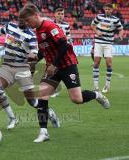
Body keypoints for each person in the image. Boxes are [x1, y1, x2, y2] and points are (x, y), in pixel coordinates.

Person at [19, 3, 110, 143]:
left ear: (36, 15)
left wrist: (55, 64)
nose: (27, 24)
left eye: (28, 20)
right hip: (52, 68)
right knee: (42, 95)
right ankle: (43, 132)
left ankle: (97, 95)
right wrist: (35, 61)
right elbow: (44, 50)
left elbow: (64, 45)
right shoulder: (37, 30)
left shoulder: (50, 26)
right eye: (25, 22)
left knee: (76, 99)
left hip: (67, 65)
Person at [0, 19, 60, 130]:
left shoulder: (31, 35)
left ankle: (50, 113)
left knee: (32, 101)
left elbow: (34, 53)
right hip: (7, 65)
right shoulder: (10, 26)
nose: (23, 21)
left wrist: (32, 56)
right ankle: (12, 118)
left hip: (22, 67)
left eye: (26, 19)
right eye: (21, 18)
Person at [91, 3, 124, 93]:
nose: (107, 10)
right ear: (104, 9)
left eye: (109, 9)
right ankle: (95, 86)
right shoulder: (99, 17)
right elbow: (93, 25)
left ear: (112, 10)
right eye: (106, 9)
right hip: (98, 42)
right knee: (96, 63)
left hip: (108, 43)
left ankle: (107, 85)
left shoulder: (115, 20)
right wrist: (97, 31)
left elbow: (121, 29)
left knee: (109, 64)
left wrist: (120, 35)